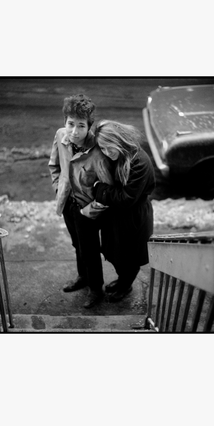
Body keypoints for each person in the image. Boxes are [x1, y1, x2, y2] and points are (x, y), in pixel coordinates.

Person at [48, 94, 113, 308]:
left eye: (81, 126)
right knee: (77, 243)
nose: (74, 132)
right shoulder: (60, 136)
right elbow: (54, 165)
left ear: (89, 127)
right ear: (65, 122)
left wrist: (90, 210)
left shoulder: (98, 149)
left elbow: (107, 189)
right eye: (70, 124)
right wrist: (59, 188)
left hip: (88, 208)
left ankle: (96, 289)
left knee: (90, 248)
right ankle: (83, 277)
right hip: (68, 203)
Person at [92, 120, 156, 302]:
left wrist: (99, 189)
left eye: (108, 147)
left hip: (133, 218)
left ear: (118, 140)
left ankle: (126, 285)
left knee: (129, 258)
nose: (106, 152)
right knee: (115, 254)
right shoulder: (118, 155)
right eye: (102, 149)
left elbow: (125, 199)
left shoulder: (139, 162)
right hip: (116, 217)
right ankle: (122, 280)